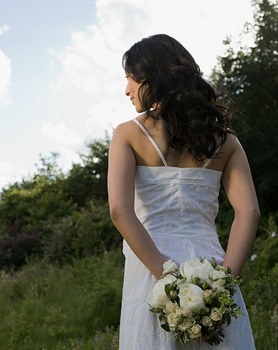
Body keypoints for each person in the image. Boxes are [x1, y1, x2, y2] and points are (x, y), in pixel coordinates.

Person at [107, 34, 260, 349]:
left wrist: (167, 279)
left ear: (151, 78)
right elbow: (249, 212)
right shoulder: (226, 141)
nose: (126, 89)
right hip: (212, 272)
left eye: (130, 79)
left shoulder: (127, 135)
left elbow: (120, 212)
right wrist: (222, 286)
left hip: (151, 271)